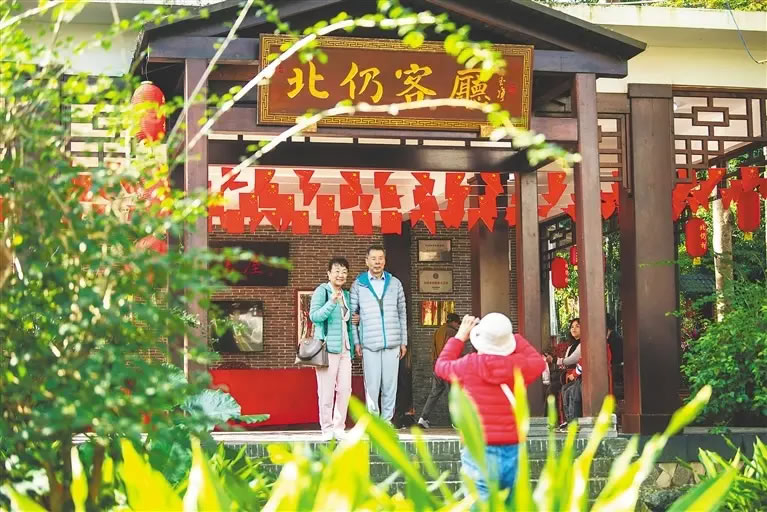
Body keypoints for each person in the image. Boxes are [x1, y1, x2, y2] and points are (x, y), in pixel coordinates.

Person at [435, 313, 546, 503]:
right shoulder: (517, 366)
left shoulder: (468, 365)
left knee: (480, 505)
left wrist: (459, 336)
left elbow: (441, 365)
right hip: (512, 448)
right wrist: (510, 336)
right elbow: (538, 362)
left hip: (478, 449)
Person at [350, 245, 408, 423]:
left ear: (385, 261)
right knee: (372, 386)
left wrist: (403, 341)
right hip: (369, 344)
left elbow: (402, 313)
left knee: (390, 386)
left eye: (380, 258)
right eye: (373, 258)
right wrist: (357, 342)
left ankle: (387, 421)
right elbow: (351, 316)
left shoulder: (395, 283)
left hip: (393, 342)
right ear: (366, 261)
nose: (377, 262)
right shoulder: (359, 284)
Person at [309, 257, 355, 439]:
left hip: (345, 349)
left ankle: (339, 427)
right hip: (327, 349)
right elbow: (314, 316)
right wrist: (331, 303)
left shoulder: (347, 295)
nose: (340, 275)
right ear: (328, 274)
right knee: (326, 391)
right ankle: (327, 429)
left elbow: (348, 323)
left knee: (345, 390)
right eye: (336, 271)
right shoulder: (322, 291)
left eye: (344, 272)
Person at [417, 313, 461, 429]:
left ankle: (423, 418)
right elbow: (453, 351)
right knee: (453, 395)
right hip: (448, 367)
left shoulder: (438, 331)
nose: (458, 325)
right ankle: (456, 422)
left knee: (434, 394)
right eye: (458, 323)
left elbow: (433, 349)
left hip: (437, 366)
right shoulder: (452, 333)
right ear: (454, 322)